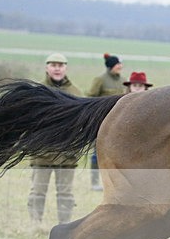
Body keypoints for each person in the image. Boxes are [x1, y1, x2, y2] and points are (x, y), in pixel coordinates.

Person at [27, 53, 83, 225]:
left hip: (67, 153)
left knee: (65, 193)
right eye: (53, 65)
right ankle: (35, 224)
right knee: (37, 191)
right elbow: (30, 120)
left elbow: (81, 123)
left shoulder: (76, 92)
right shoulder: (37, 91)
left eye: (61, 65)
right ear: (47, 68)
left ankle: (64, 225)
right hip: (42, 151)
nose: (57, 68)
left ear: (66, 68)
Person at [86, 53, 125, 190]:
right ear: (111, 66)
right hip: (101, 121)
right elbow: (90, 98)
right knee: (97, 154)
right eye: (117, 64)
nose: (120, 66)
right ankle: (95, 181)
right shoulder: (100, 80)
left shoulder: (123, 81)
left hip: (118, 122)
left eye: (121, 64)